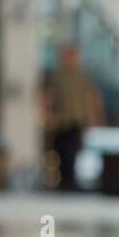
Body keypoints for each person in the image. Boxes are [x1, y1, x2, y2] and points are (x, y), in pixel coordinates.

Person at [45, 45, 104, 192]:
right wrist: (47, 115)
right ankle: (64, 180)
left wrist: (92, 119)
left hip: (76, 121)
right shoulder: (57, 76)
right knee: (59, 150)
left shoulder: (83, 76)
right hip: (60, 121)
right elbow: (49, 96)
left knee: (72, 151)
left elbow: (91, 98)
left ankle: (69, 182)